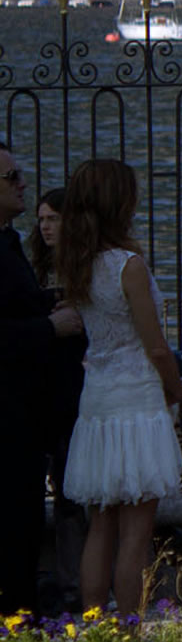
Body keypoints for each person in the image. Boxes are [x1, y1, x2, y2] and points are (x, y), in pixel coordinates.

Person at [57, 160, 182, 616]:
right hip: (136, 398)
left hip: (97, 398)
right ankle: (130, 624)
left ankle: (95, 615)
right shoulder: (128, 265)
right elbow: (155, 345)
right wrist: (175, 387)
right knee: (135, 529)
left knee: (102, 523)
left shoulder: (79, 262)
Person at [0, 150, 84, 614]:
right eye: (12, 176)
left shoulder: (9, 242)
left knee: (26, 516)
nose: (22, 183)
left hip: (26, 415)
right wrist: (50, 327)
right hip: (8, 415)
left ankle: (20, 608)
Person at [27, 185, 86, 612]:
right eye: (42, 219)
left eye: (53, 219)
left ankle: (74, 583)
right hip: (41, 390)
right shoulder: (34, 268)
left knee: (72, 492)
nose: (45, 227)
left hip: (73, 391)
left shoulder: (83, 270)